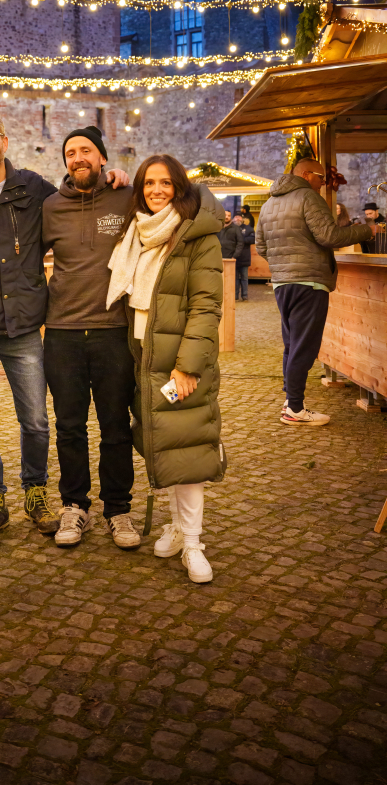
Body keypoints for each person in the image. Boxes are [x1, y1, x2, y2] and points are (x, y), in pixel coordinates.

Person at [0, 109, 130, 547]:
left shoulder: (35, 188)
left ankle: (36, 492)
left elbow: (77, 194)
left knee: (37, 420)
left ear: (4, 140)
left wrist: (113, 174)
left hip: (24, 325)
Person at [107, 154, 225, 585]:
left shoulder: (197, 235)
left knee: (188, 449)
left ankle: (194, 543)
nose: (157, 191)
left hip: (179, 361)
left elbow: (206, 306)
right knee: (166, 446)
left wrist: (188, 367)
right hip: (144, 355)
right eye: (149, 183)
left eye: (166, 183)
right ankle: (176, 527)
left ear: (180, 187)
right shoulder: (137, 233)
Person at [42, 127, 139, 549]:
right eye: (70, 153)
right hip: (62, 332)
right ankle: (74, 507)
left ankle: (118, 510)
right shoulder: (49, 207)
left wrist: (129, 177)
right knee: (69, 427)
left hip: (114, 332)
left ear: (102, 158)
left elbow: (187, 206)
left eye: (86, 151)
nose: (77, 158)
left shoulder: (127, 197)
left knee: (116, 427)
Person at [256, 160, 372, 426]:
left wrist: (282, 263)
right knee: (304, 347)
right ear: (306, 175)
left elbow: (261, 246)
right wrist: (367, 230)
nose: (324, 182)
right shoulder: (309, 197)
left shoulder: (269, 204)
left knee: (292, 345)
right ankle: (294, 408)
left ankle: (290, 402)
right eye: (321, 176)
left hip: (282, 283)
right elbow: (329, 236)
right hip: (310, 282)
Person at [233, 211, 255, 301]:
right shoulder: (231, 228)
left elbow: (253, 239)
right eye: (236, 216)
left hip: (244, 257)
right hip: (233, 257)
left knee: (244, 278)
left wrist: (241, 240)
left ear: (242, 219)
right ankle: (235, 295)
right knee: (235, 279)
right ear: (233, 218)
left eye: (239, 217)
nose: (238, 218)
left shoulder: (248, 228)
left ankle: (245, 295)